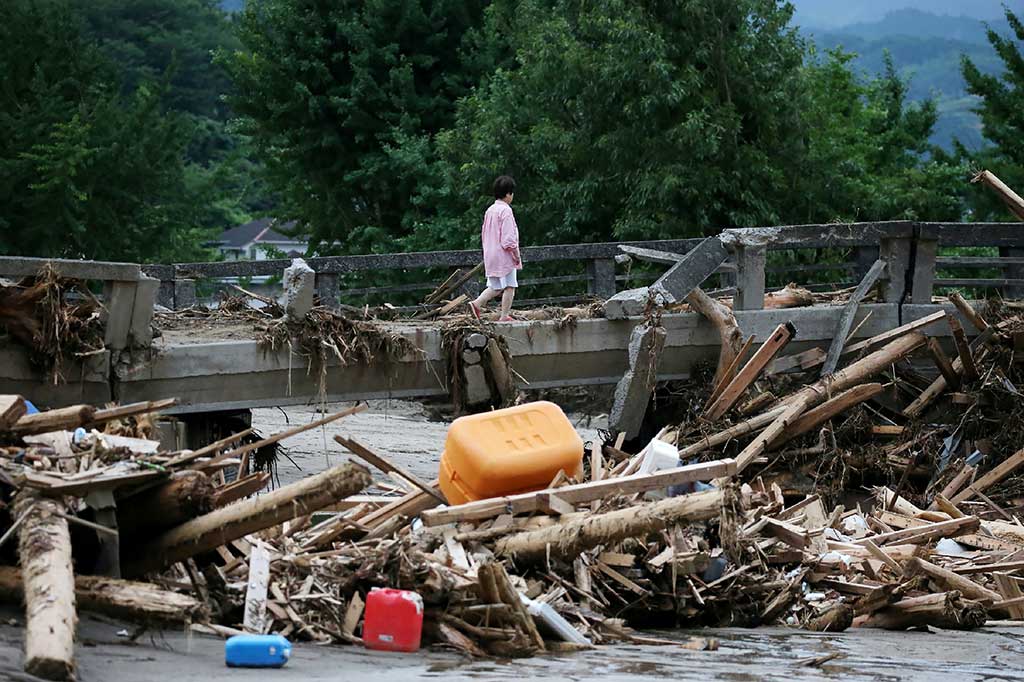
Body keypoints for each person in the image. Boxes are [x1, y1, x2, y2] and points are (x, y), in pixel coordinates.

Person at [469, 175, 521, 322]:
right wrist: (516, 254)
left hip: (490, 253)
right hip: (504, 254)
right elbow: (509, 239)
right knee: (510, 285)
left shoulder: (490, 210)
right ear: (508, 194)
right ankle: (504, 316)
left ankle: (476, 303)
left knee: (496, 286)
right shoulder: (506, 211)